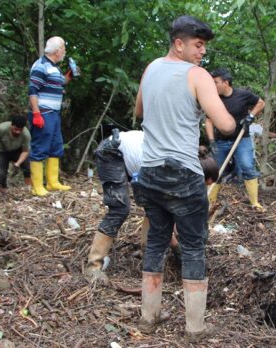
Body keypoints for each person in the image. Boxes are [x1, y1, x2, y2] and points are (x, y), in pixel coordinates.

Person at [133, 15, 235, 341]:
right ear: (180, 43)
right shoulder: (197, 75)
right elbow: (226, 125)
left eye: (203, 46)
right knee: (193, 247)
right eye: (198, 45)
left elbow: (139, 111)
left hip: (149, 172)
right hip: (182, 173)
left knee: (157, 243)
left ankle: (148, 318)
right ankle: (194, 329)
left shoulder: (150, 69)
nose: (202, 52)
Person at [86, 132, 219, 286]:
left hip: (134, 159)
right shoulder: (168, 167)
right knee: (120, 209)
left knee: (156, 206)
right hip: (112, 152)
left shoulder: (181, 161)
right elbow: (158, 209)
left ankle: (145, 252)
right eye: (202, 184)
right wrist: (176, 247)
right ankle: (93, 266)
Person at [205, 68, 266, 210]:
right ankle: (210, 201)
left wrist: (250, 116)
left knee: (247, 166)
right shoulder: (214, 99)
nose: (213, 86)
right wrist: (211, 140)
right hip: (220, 141)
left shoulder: (243, 95)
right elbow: (209, 121)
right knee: (217, 171)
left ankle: (254, 203)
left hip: (241, 140)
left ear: (226, 82)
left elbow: (261, 103)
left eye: (216, 82)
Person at [27, 36, 73, 196]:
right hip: (43, 113)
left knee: (56, 147)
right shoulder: (41, 66)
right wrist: (36, 113)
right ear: (57, 50)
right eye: (64, 49)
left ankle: (53, 182)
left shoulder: (54, 67)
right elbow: (33, 90)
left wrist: (70, 74)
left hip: (54, 114)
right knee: (40, 148)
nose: (64, 52)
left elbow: (61, 83)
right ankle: (37, 186)